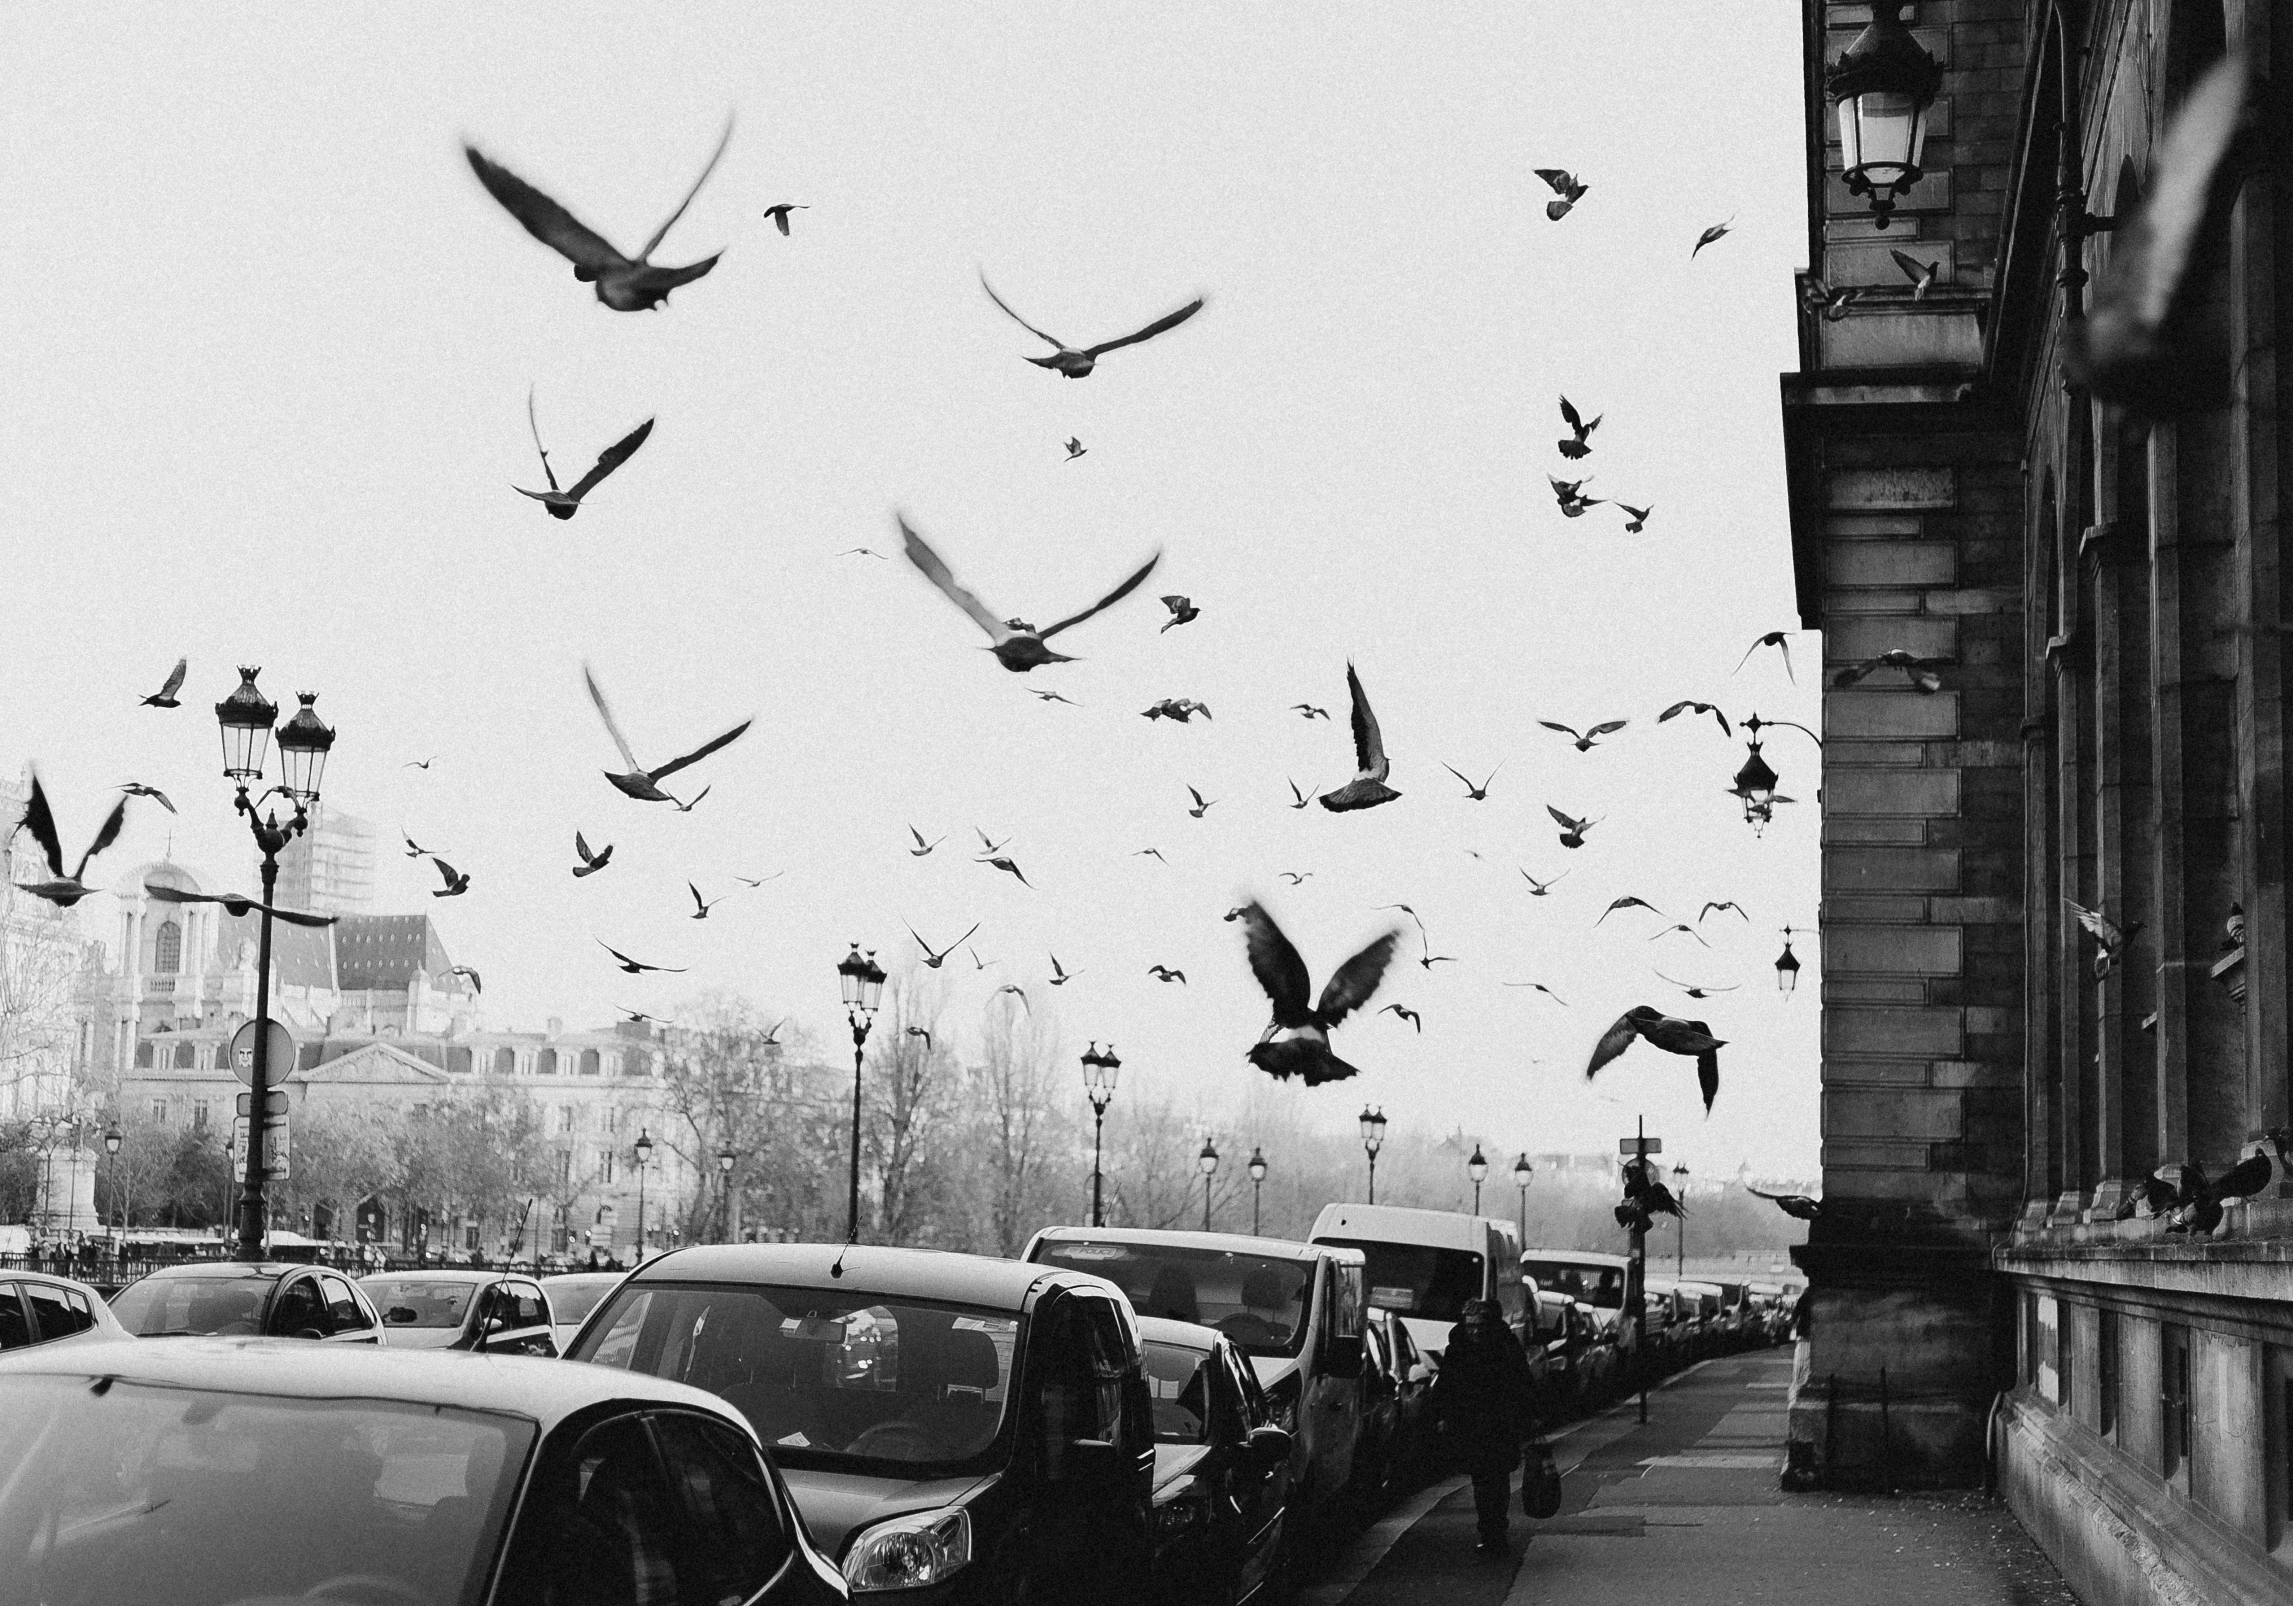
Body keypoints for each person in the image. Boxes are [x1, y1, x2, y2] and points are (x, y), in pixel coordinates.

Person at [1430, 1297, 1534, 1555]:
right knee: (1484, 1481)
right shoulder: (1458, 1348)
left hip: (1500, 1423)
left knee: (1496, 1480)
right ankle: (1490, 1532)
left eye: (1479, 1325)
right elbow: (1446, 1384)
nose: (1475, 1331)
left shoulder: (1505, 1345)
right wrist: (1443, 1415)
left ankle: (1494, 1531)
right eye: (1470, 1326)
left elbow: (1522, 1381)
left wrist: (1527, 1416)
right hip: (1473, 1425)